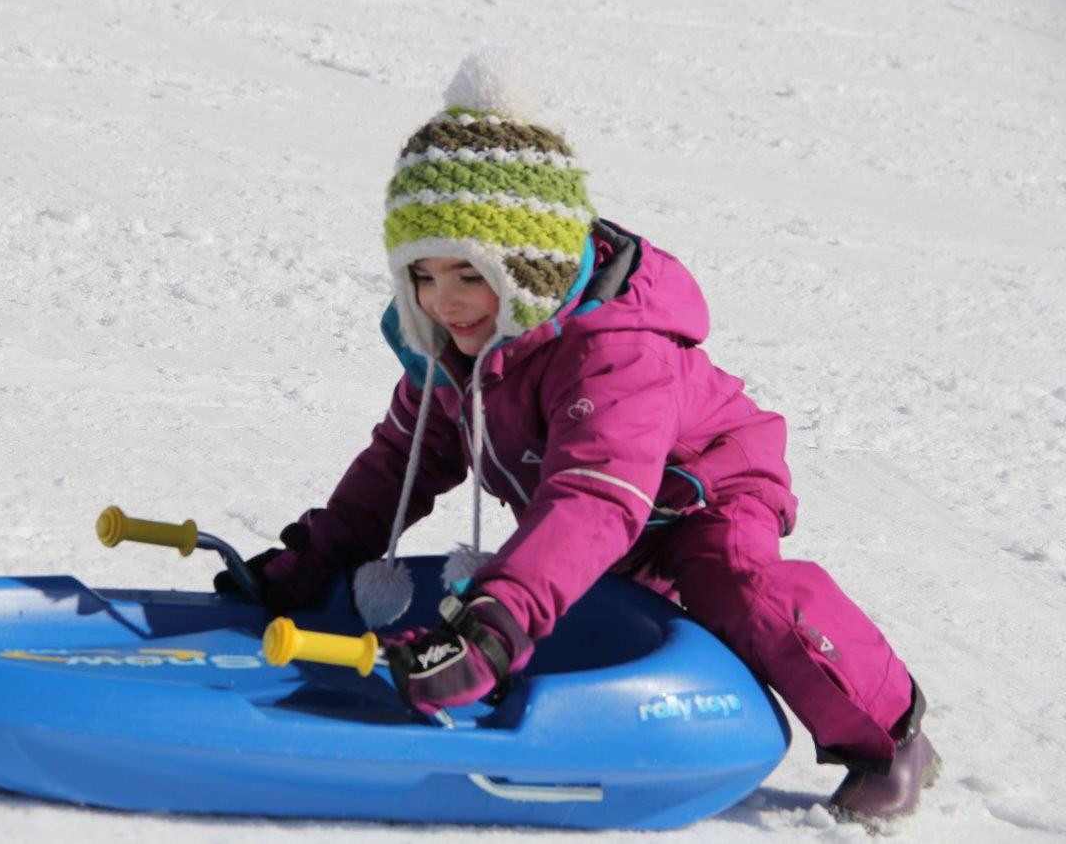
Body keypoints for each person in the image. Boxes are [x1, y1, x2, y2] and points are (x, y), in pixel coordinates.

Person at [214, 49, 939, 823]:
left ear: (528, 267)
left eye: (468, 275)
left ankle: (889, 737)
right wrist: (317, 557)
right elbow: (403, 457)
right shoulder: (454, 347)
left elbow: (593, 496)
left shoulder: (615, 352)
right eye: (422, 276)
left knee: (733, 581)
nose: (445, 301)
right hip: (590, 505)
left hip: (697, 494)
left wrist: (491, 629)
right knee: (563, 572)